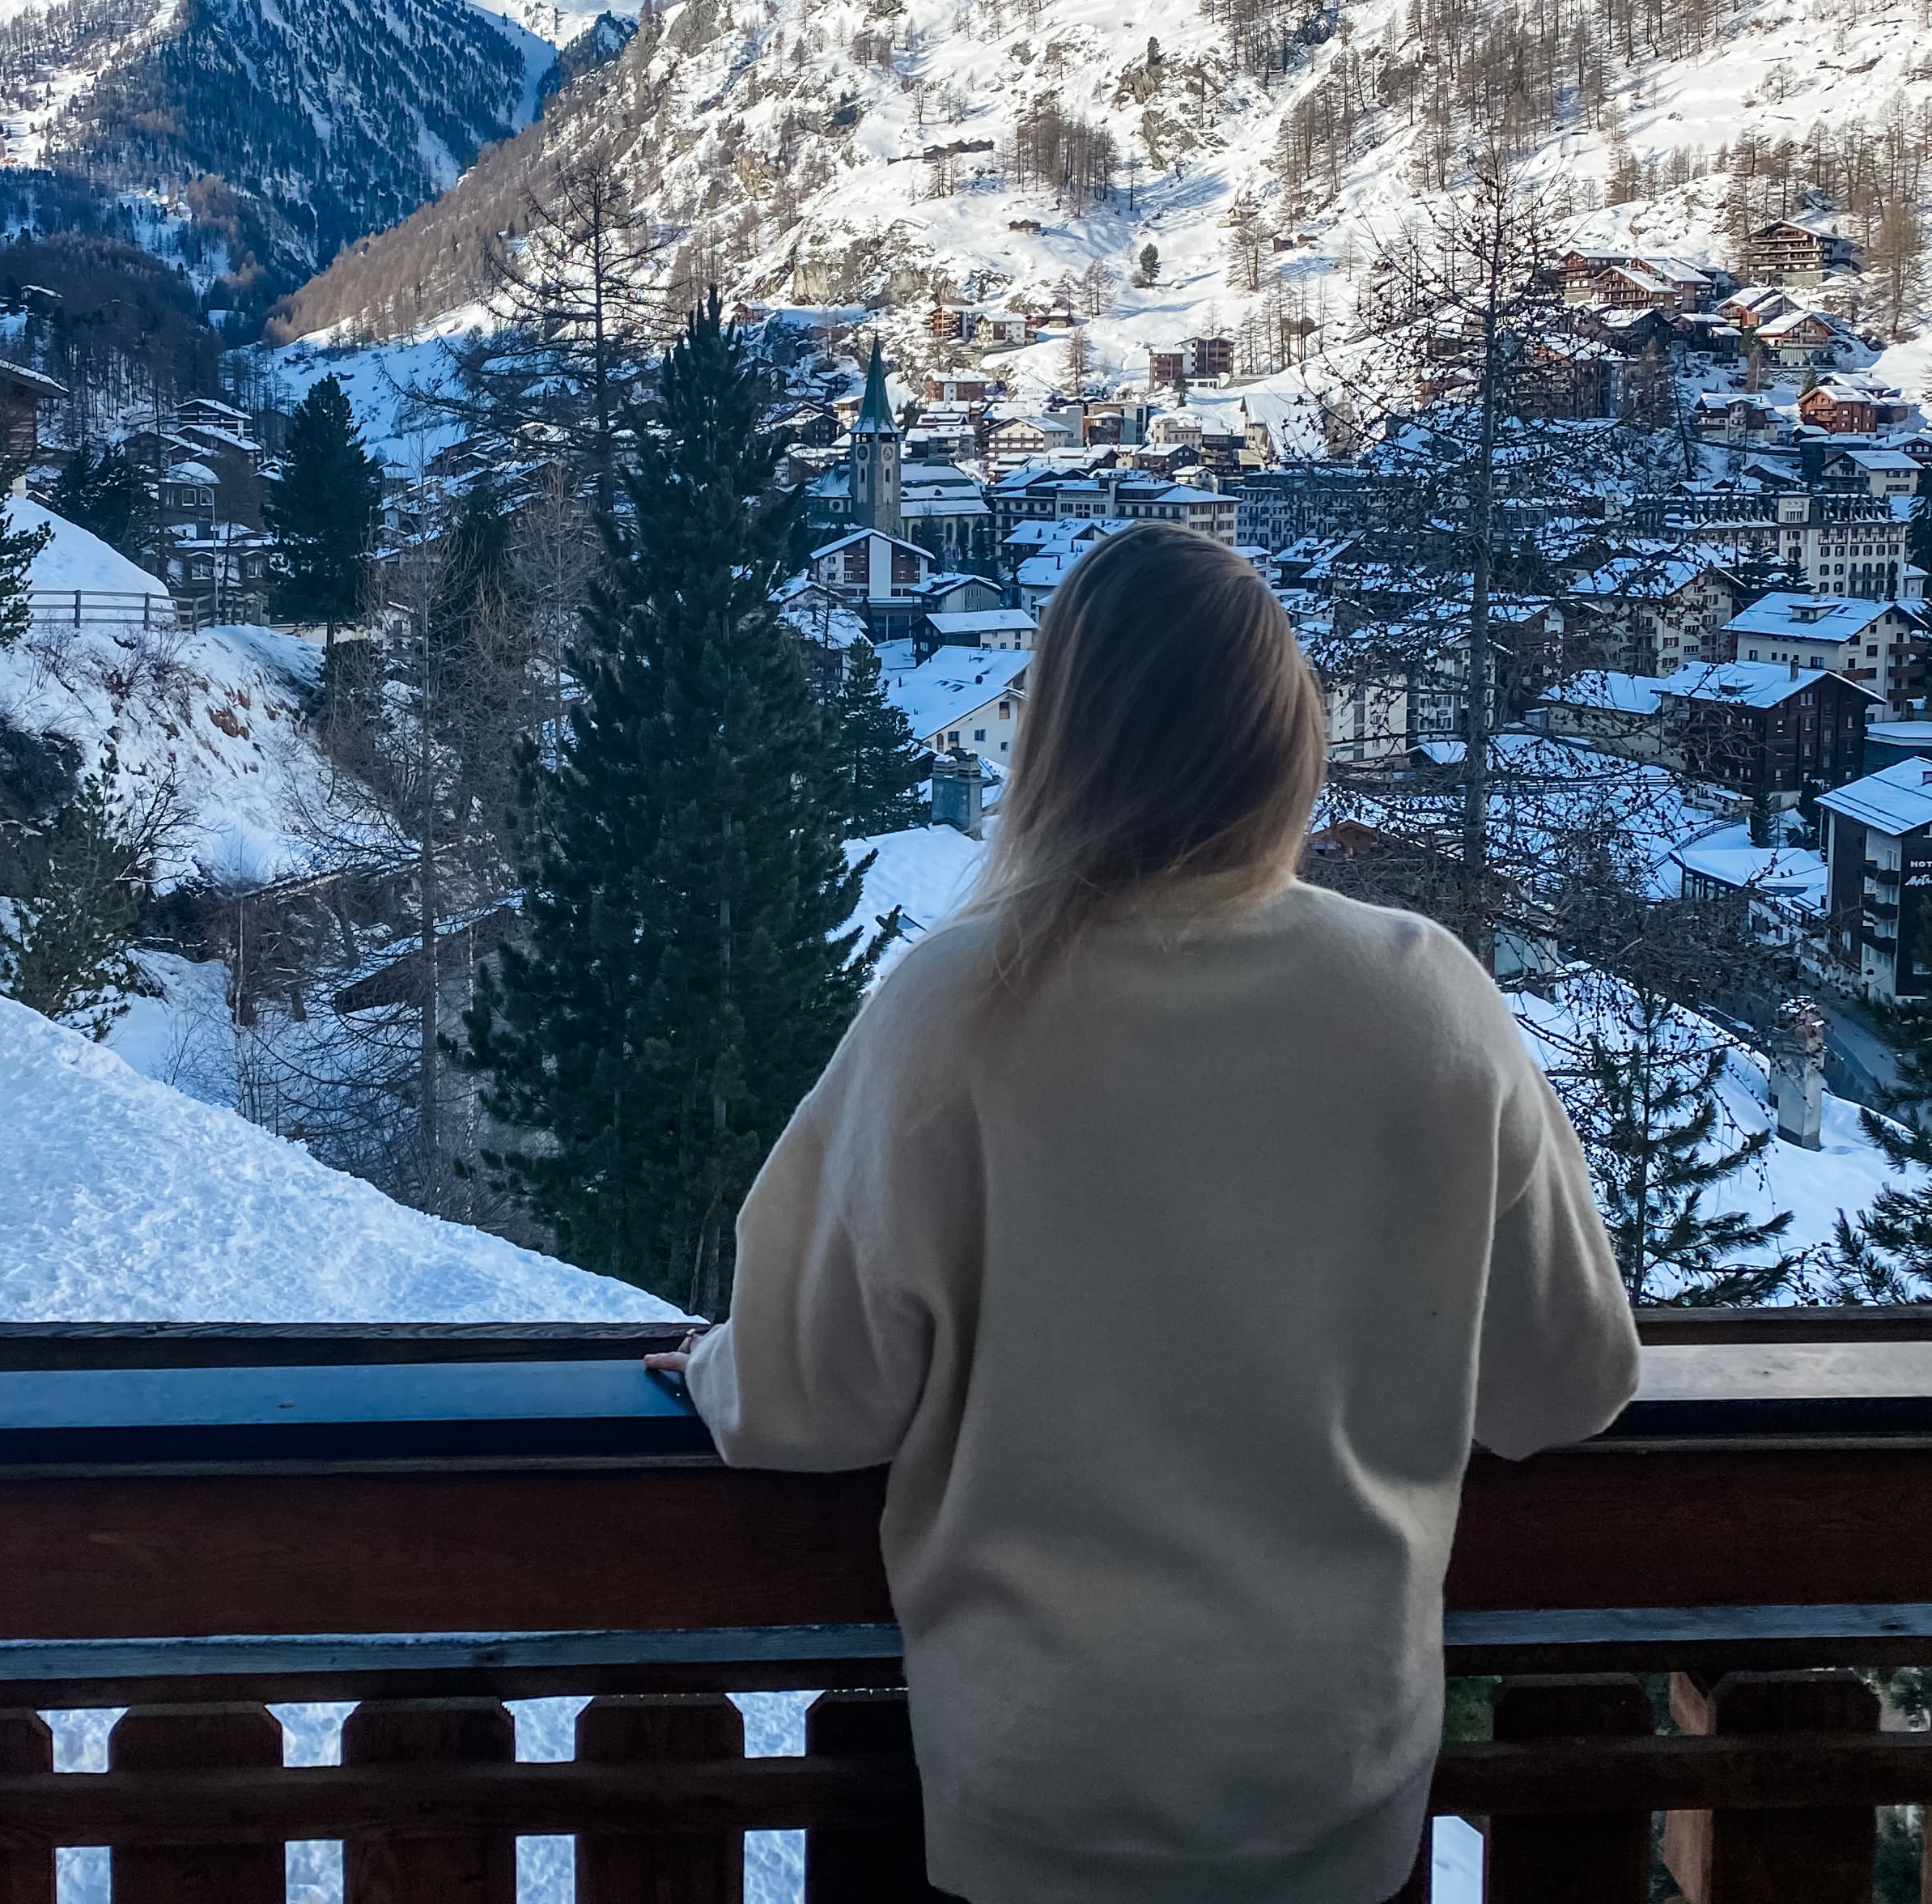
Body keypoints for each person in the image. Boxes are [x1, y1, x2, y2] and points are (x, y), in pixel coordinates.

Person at [649, 525, 1640, 1904]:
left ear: (1059, 741)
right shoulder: (1429, 1003)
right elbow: (1569, 1381)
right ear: (1286, 741)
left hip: (1038, 1784)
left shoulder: (958, 1010)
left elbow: (812, 1395)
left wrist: (714, 1367)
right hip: (1330, 1783)